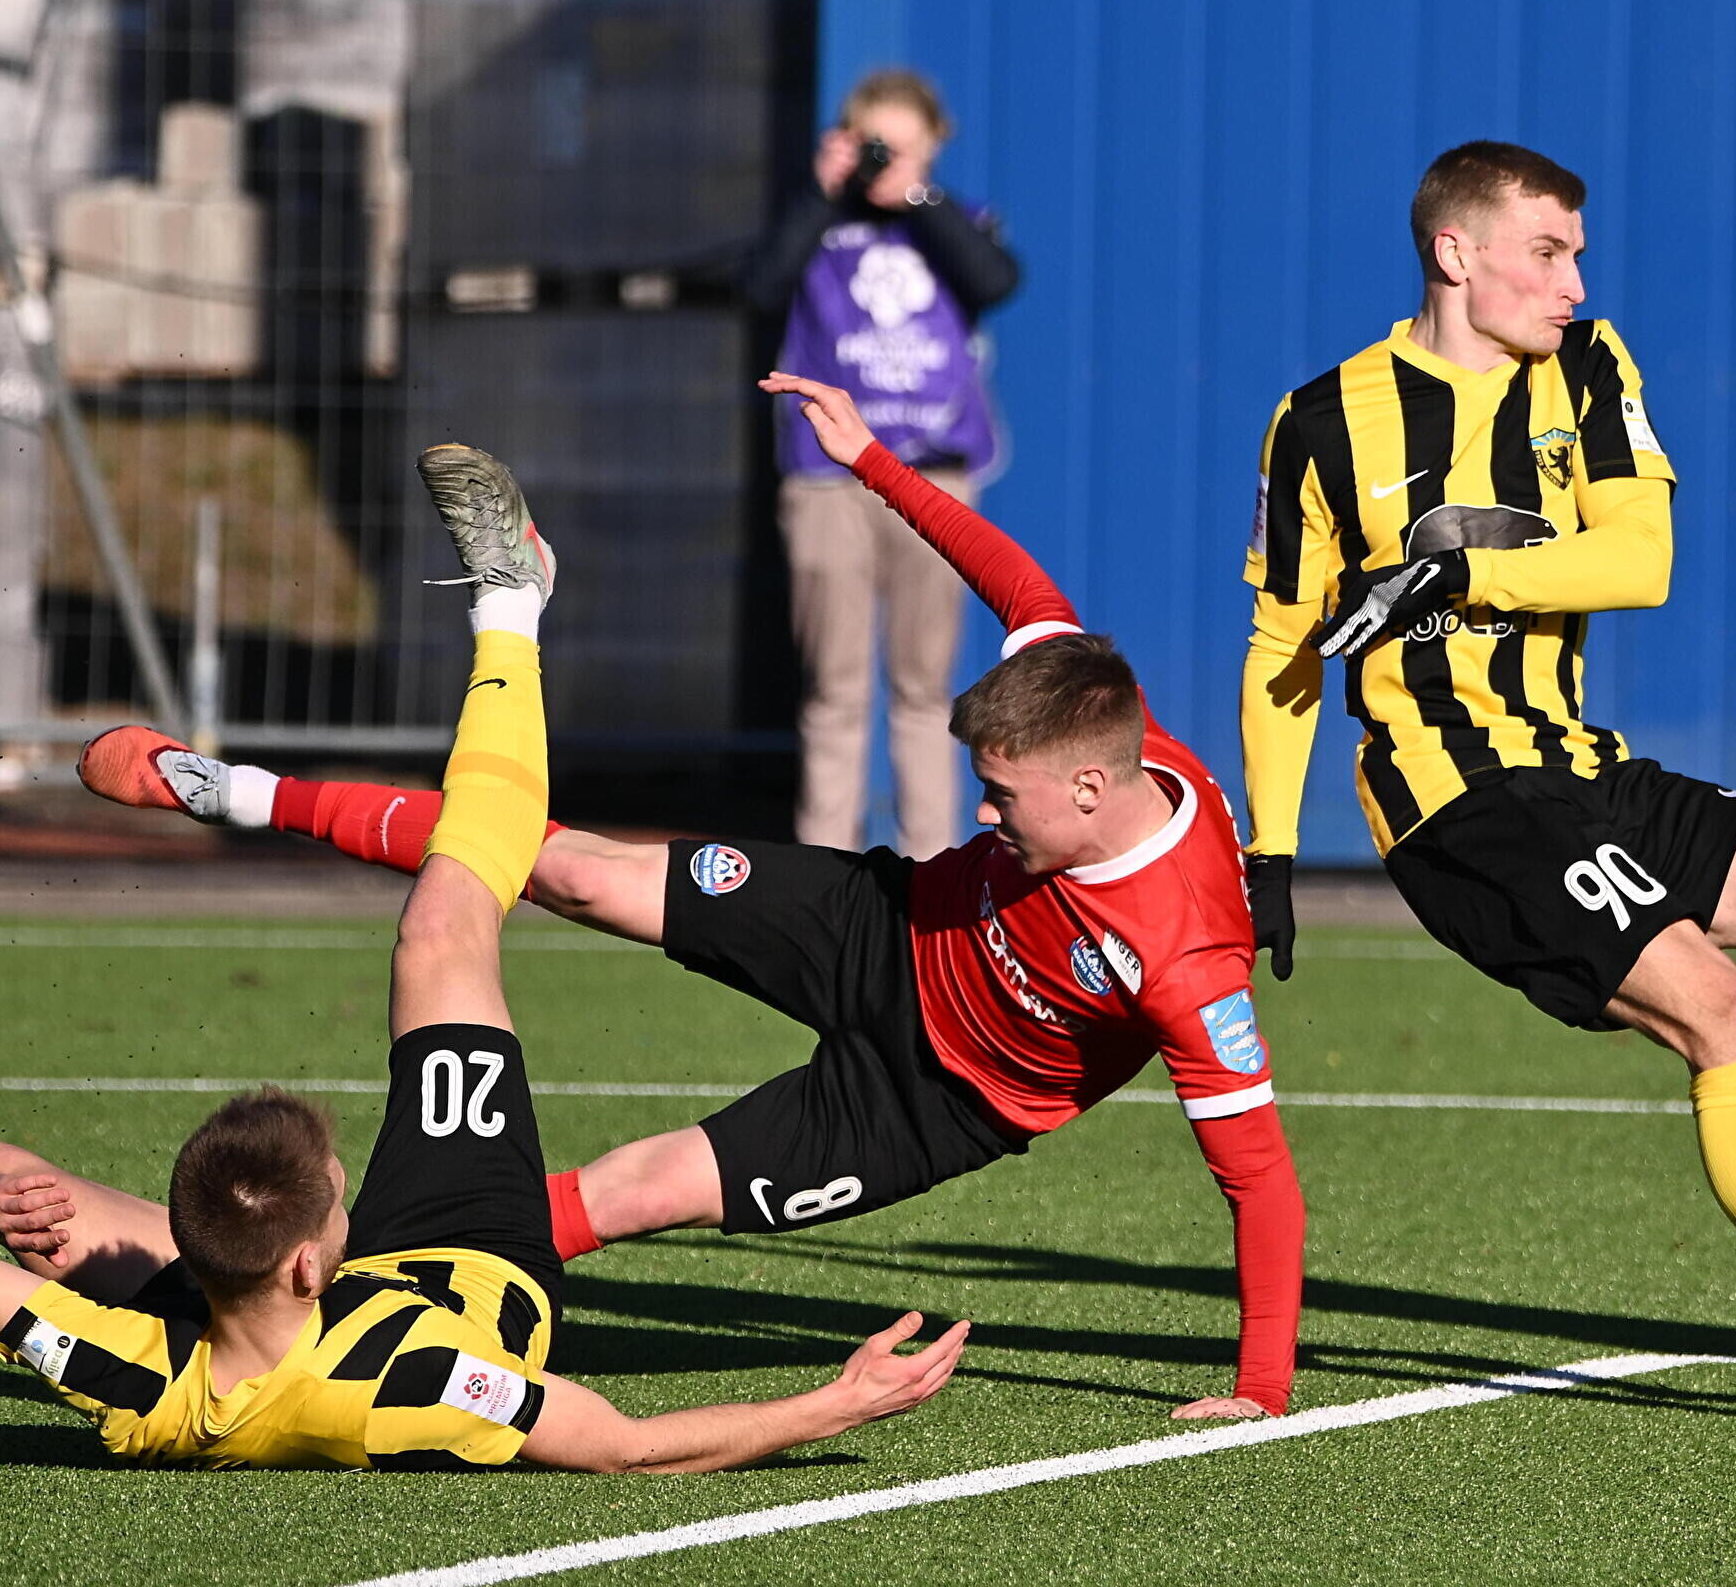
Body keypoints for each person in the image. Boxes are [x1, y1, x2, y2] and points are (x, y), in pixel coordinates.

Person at [0, 446, 967, 1472]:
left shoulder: (136, 1380)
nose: (348, 1188)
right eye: (337, 1192)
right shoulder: (420, 1384)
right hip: (469, 1247)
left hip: (248, 1320)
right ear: (306, 1259)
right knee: (443, 925)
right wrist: (832, 1405)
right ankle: (512, 602)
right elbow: (629, 1443)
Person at [79, 373, 1307, 1422]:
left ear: (1091, 787)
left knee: (631, 1191)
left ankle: (359, 1303)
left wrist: (1259, 1386)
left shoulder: (1190, 959)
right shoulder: (1080, 702)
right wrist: (869, 458)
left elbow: (1260, 1180)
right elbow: (1015, 577)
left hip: (932, 1101)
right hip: (881, 923)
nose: (984, 811)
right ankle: (241, 790)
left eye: (1002, 796)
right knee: (569, 865)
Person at [1238, 140, 1736, 1435]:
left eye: (1577, 254)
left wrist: (1460, 573)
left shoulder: (1589, 366)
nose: (1574, 281)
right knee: (1728, 1016)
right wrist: (1267, 850)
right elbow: (1284, 644)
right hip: (1459, 802)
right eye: (1547, 252)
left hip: (1579, 767)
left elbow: (1640, 559)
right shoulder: (1324, 419)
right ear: (1455, 252)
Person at [740, 68, 1021, 857]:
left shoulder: (953, 219)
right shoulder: (818, 224)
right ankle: (825, 864)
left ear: (932, 144)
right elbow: (760, 287)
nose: (883, 163)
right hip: (828, 479)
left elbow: (994, 279)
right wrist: (821, 192)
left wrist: (917, 197)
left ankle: (931, 864)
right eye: (872, 146)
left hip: (932, 476)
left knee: (923, 688)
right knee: (833, 688)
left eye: (901, 147)